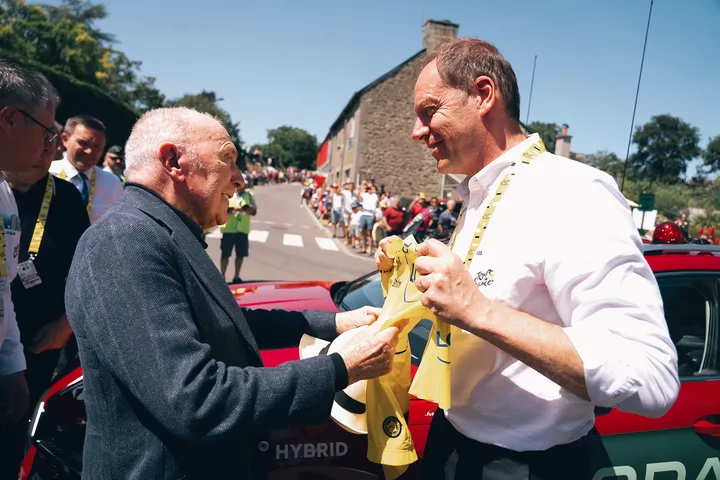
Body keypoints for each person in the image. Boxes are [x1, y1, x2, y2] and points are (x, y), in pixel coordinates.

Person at [375, 38, 679, 479]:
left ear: (483, 95)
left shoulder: (573, 192)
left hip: (524, 464)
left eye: (429, 111)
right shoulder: (478, 193)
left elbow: (651, 377)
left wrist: (478, 310)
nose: (416, 131)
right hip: (450, 439)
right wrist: (410, 272)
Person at [65, 107, 402, 480]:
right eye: (227, 159)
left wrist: (337, 323)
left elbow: (225, 322)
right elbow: (197, 401)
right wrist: (341, 367)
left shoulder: (160, 232)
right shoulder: (124, 242)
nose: (240, 179)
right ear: (173, 162)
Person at [0, 122, 90, 478]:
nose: (47, 150)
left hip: (40, 343)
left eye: (51, 142)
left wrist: (66, 325)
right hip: (5, 336)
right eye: (41, 140)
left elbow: (87, 274)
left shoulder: (65, 198)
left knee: (18, 433)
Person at [0, 59, 58, 444]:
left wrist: (11, 364)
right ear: (9, 119)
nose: (49, 144)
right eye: (46, 130)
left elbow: (2, 286)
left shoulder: (4, 195)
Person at [49, 115, 124, 223]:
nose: (89, 151)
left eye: (96, 146)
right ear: (65, 139)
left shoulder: (112, 184)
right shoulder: (47, 173)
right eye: (83, 143)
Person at [220, 179, 256, 283]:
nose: (240, 186)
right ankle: (222, 276)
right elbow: (221, 208)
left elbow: (254, 211)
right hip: (228, 229)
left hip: (242, 230)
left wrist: (249, 209)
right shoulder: (228, 194)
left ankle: (237, 276)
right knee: (225, 254)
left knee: (240, 255)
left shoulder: (250, 195)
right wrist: (233, 209)